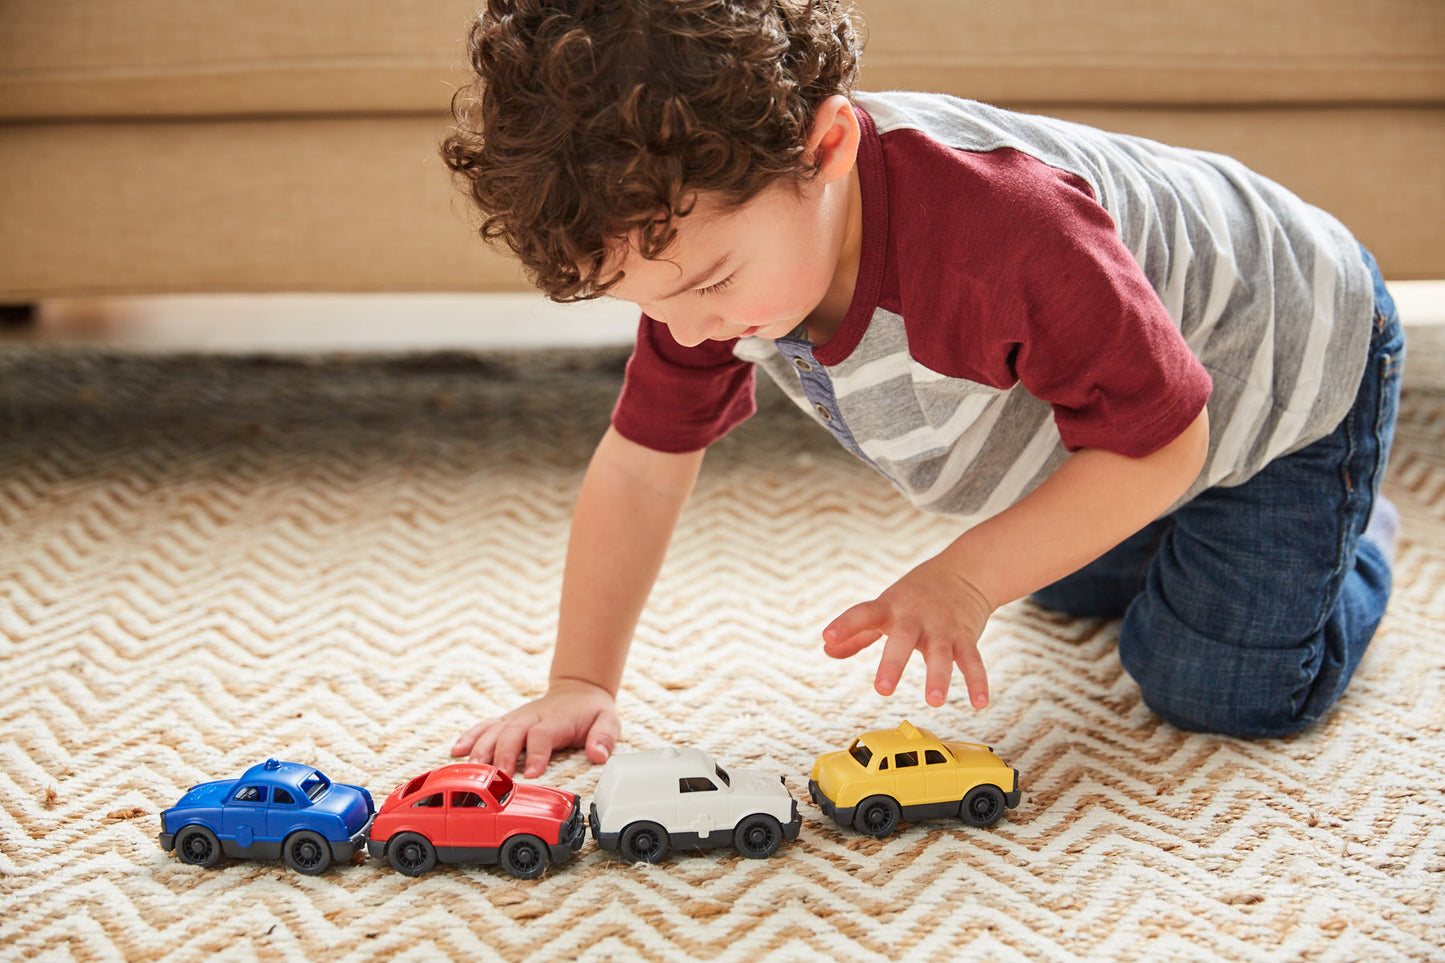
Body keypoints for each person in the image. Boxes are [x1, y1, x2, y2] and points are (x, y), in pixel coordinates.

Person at [441, 0, 1404, 778]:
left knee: (1208, 684)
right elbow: (644, 464)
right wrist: (579, 679)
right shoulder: (698, 260)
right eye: (647, 302)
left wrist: (965, 578)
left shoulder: (1004, 233)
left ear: (825, 149)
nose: (686, 330)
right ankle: (1208, 531)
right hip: (1123, 395)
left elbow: (1164, 446)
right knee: (1071, 584)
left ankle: (1349, 528)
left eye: (708, 286)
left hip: (1281, 360)